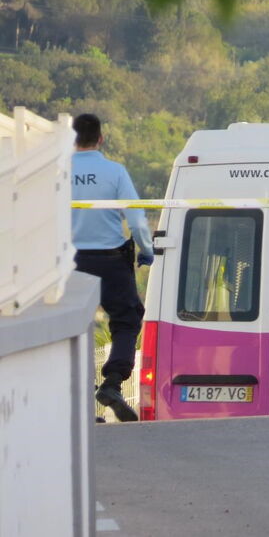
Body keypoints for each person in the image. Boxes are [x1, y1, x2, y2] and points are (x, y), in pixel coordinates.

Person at [71, 113, 154, 422]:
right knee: (126, 319)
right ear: (101, 138)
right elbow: (135, 218)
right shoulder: (114, 172)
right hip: (110, 259)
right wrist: (146, 250)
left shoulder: (55, 172)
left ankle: (80, 394)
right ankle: (112, 383)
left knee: (73, 325)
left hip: (69, 261)